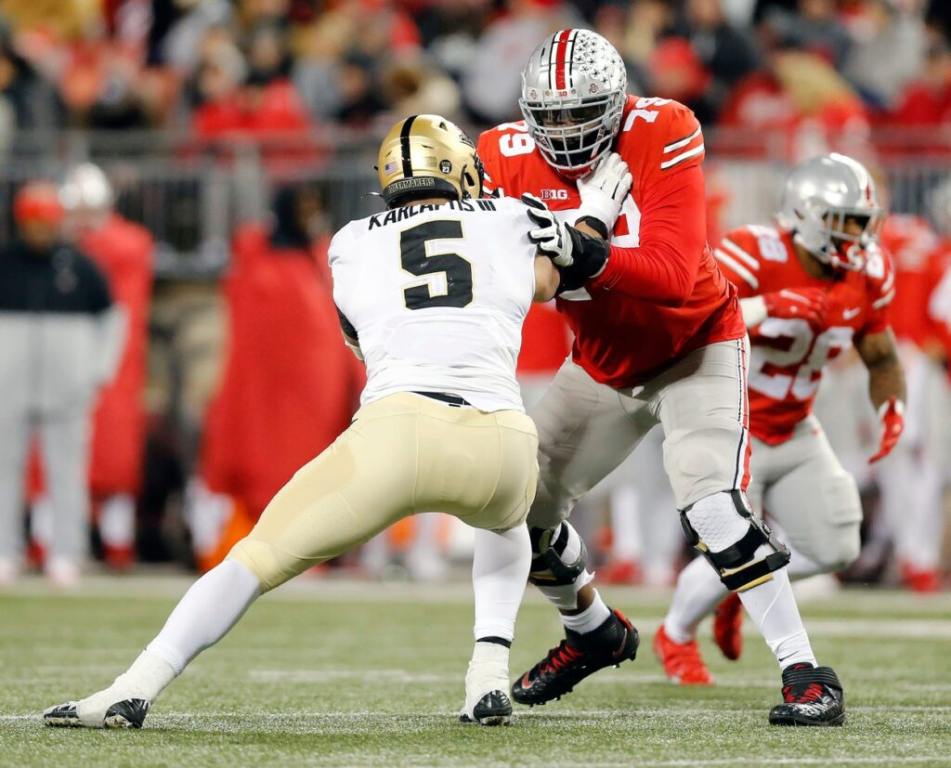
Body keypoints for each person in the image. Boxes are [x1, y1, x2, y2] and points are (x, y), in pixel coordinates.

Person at [43, 113, 564, 729]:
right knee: (506, 525)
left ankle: (134, 686)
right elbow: (550, 282)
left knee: (256, 557)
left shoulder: (350, 240)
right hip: (502, 440)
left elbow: (361, 339)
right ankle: (486, 676)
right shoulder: (511, 218)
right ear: (459, 170)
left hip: (398, 431)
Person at [473, 27, 845, 725]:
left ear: (615, 106)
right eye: (547, 117)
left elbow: (673, 273)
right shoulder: (501, 153)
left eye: (579, 116)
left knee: (710, 505)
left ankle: (806, 673)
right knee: (517, 509)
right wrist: (571, 248)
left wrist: (585, 250)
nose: (562, 132)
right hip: (600, 365)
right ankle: (592, 632)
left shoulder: (663, 126)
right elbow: (524, 281)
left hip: (694, 346)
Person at [656, 153, 906, 684]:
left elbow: (880, 354)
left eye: (863, 225)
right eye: (845, 224)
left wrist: (892, 406)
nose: (857, 239)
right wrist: (773, 305)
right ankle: (675, 634)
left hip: (793, 424)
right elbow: (691, 322)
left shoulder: (871, 272)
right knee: (737, 543)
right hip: (731, 419)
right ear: (805, 215)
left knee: (837, 543)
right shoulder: (753, 253)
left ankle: (741, 586)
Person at [0, 182, 122, 586]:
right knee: (5, 471)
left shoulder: (82, 267)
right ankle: (5, 551)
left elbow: (112, 322)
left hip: (66, 390)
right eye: (33, 222)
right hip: (9, 389)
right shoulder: (4, 262)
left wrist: (96, 373)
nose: (40, 230)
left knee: (66, 473)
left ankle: (67, 553)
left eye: (46, 221)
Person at [59, 163, 154, 570]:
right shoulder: (67, 250)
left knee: (112, 455)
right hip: (68, 357)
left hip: (109, 360)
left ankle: (117, 543)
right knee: (58, 454)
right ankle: (58, 541)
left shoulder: (121, 246)